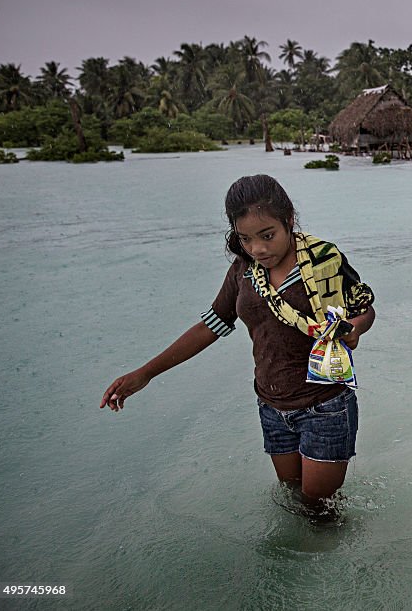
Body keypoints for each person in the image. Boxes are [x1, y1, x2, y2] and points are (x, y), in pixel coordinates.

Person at [100, 174, 376, 506]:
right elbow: (211, 325)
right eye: (245, 239)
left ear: (289, 221)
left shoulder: (323, 262)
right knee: (292, 497)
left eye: (268, 235)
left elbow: (364, 309)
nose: (258, 248)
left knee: (319, 503)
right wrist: (146, 373)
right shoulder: (244, 270)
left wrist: (355, 327)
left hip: (325, 405)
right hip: (272, 408)